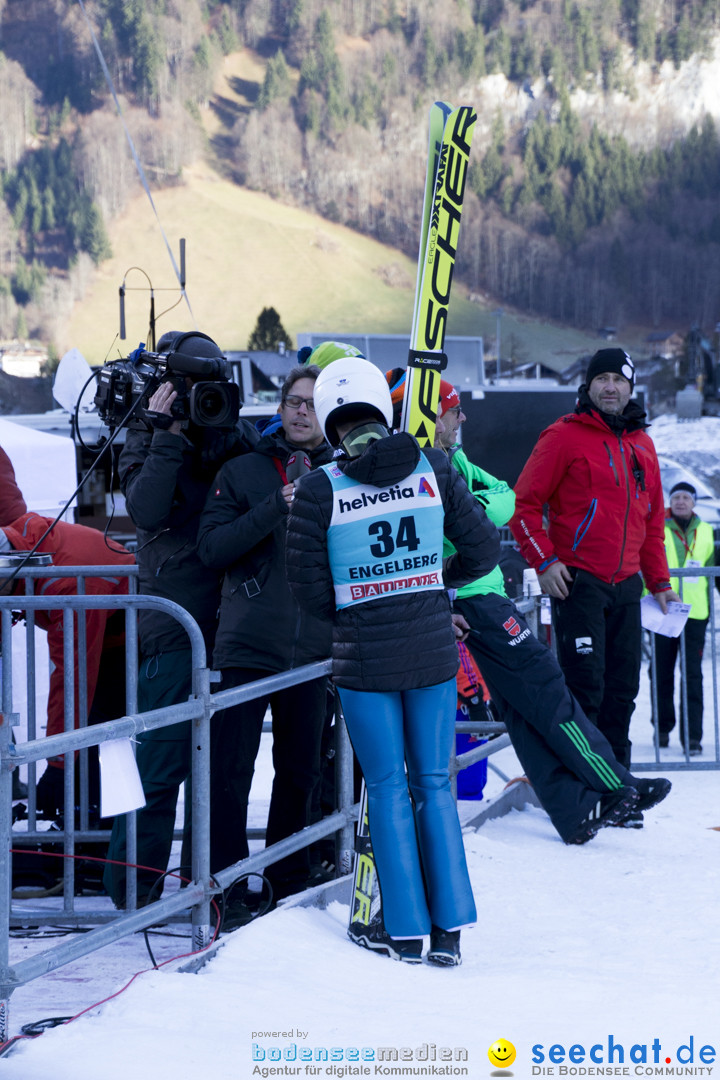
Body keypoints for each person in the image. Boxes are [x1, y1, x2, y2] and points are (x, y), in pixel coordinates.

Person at [385, 372, 671, 843]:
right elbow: (475, 516)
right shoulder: (420, 465)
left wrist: (470, 506)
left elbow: (503, 498)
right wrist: (474, 510)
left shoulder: (453, 460)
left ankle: (574, 811)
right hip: (470, 596)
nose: (463, 418)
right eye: (455, 410)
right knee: (546, 687)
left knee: (520, 709)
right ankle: (614, 783)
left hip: (478, 592)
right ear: (434, 416)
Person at [286, 357, 501, 966]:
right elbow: (484, 550)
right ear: (384, 407)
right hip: (432, 648)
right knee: (433, 783)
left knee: (384, 788)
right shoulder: (432, 465)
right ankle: (450, 935)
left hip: (363, 660)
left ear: (329, 420)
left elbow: (307, 590)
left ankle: (403, 931)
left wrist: (362, 604)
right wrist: (434, 581)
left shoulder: (319, 488)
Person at [104, 330, 259, 909]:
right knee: (161, 761)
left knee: (221, 769)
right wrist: (168, 433)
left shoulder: (231, 428)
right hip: (173, 626)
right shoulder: (147, 432)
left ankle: (208, 886)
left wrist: (227, 425)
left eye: (209, 388)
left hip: (232, 620)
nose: (201, 399)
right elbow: (145, 508)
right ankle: (132, 892)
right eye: (190, 388)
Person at [511, 348, 679, 828]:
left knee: (623, 691)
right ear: (587, 387)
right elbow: (524, 505)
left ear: (630, 387)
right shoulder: (564, 436)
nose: (610, 387)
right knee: (585, 690)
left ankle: (621, 791)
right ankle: (585, 793)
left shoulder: (642, 444)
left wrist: (660, 582)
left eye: (618, 380)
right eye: (601, 379)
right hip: (579, 584)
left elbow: (651, 522)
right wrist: (544, 561)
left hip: (626, 586)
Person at [196, 364, 334, 906]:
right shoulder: (244, 470)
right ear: (279, 409)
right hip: (248, 645)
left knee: (300, 773)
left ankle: (288, 886)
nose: (302, 412)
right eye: (294, 402)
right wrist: (275, 505)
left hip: (312, 652)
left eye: (313, 404)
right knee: (230, 773)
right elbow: (211, 548)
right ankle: (225, 889)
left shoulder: (345, 476)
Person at [0, 508, 134, 816]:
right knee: (90, 732)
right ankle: (83, 822)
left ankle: (104, 835)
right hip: (104, 629)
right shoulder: (24, 544)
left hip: (128, 639)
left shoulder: (68, 584)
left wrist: (57, 763)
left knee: (105, 732)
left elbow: (73, 677)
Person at [651, 481, 716, 754]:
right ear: (670, 501)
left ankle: (693, 738)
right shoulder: (656, 527)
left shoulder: (707, 530)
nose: (680, 501)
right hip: (662, 610)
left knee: (693, 676)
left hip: (695, 613)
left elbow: (713, 567)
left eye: (685, 497)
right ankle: (662, 729)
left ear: (694, 502)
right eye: (675, 496)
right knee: (661, 673)